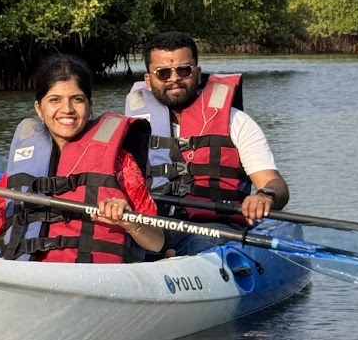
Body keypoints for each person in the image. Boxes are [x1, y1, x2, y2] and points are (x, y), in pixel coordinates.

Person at [0, 54, 165, 262]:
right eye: (54, 100)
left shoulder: (121, 162)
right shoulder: (21, 167)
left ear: (89, 105)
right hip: (30, 275)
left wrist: (129, 220)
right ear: (39, 108)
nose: (66, 110)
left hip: (94, 277)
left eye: (77, 99)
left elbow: (156, 241)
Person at [123, 31, 289, 236]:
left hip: (214, 231)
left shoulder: (235, 121)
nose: (174, 79)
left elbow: (274, 183)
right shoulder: (131, 129)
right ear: (148, 80)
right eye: (163, 73)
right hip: (150, 229)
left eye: (183, 70)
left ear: (197, 73)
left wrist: (266, 196)